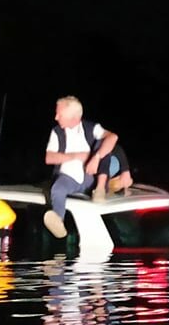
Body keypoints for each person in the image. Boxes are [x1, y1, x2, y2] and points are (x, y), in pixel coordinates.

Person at [44, 95, 119, 238]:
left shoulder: (91, 128)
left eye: (59, 114)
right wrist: (77, 156)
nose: (56, 117)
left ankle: (100, 189)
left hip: (90, 177)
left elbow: (113, 137)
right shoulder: (57, 132)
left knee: (103, 145)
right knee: (57, 189)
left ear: (74, 117)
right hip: (68, 178)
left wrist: (95, 157)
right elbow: (49, 157)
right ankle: (58, 220)